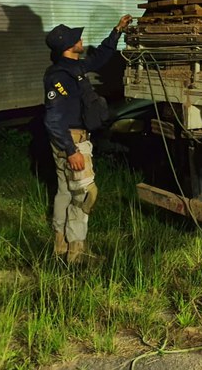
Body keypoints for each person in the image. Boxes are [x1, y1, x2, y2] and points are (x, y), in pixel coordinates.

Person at [43, 15, 132, 264]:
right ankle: (77, 252)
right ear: (68, 46)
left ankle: (60, 246)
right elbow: (53, 118)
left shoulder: (76, 67)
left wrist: (117, 31)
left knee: (64, 191)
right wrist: (71, 150)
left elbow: (101, 57)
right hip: (71, 140)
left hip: (69, 140)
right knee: (85, 194)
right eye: (76, 38)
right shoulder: (58, 77)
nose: (81, 39)